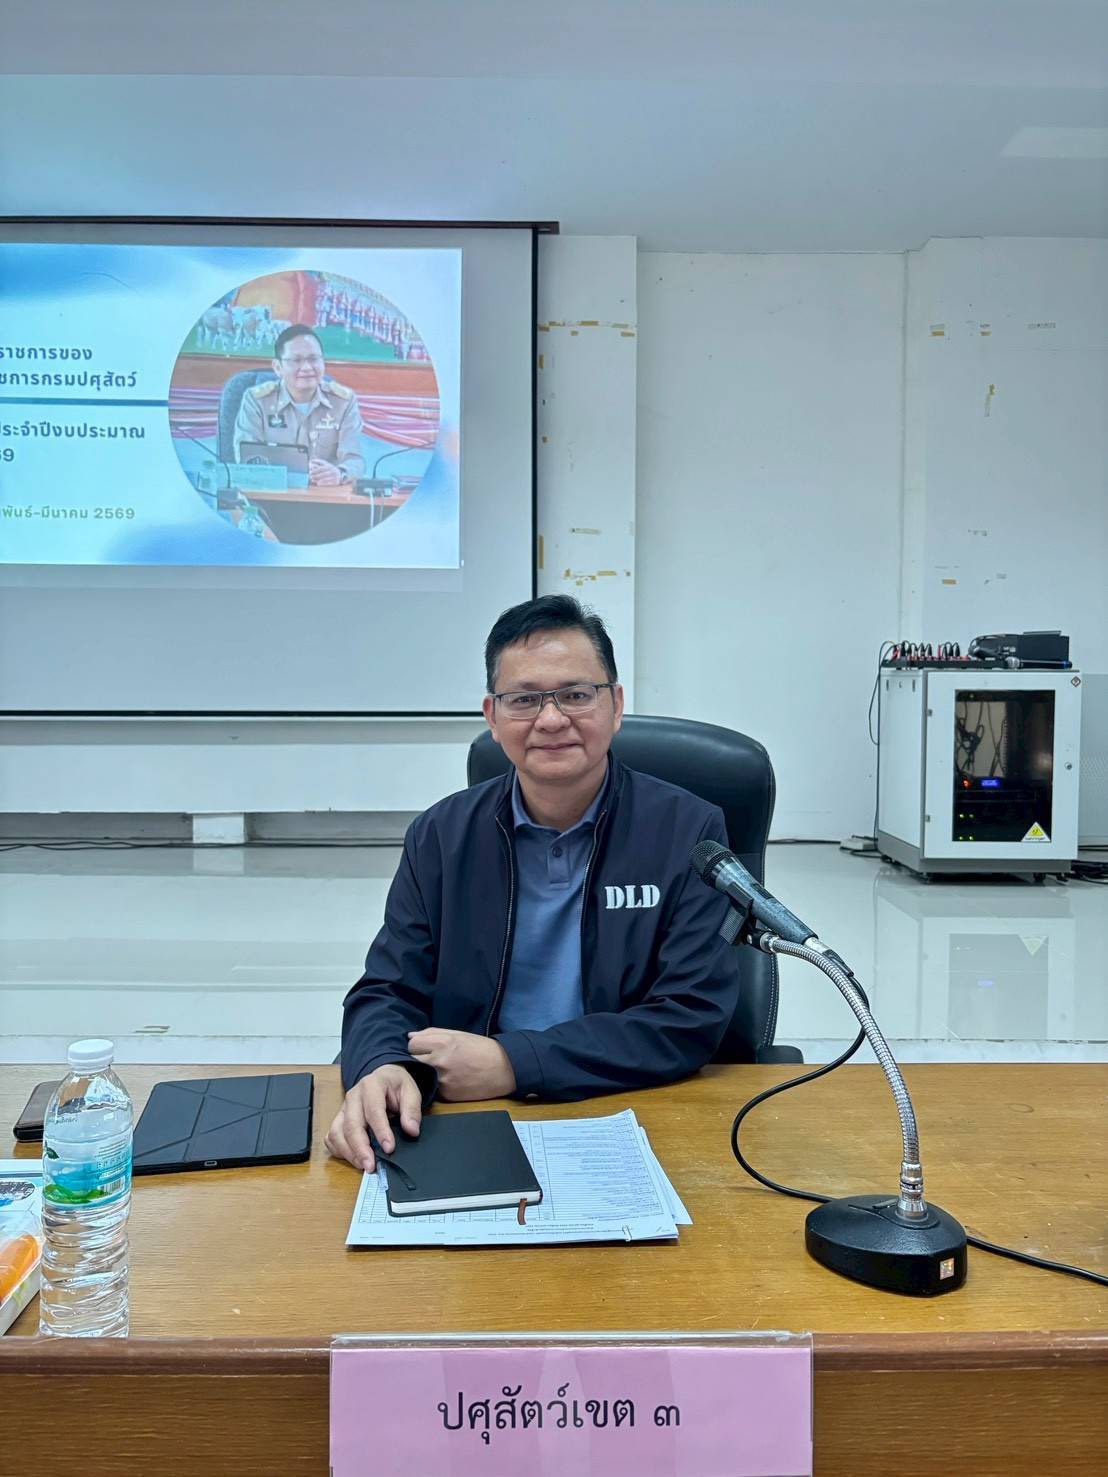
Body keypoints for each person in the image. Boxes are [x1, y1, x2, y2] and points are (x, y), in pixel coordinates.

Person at [326, 595, 741, 1171]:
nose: (550, 720)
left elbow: (689, 1015)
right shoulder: (441, 835)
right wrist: (382, 1064)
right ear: (492, 717)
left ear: (616, 705)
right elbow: (388, 990)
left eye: (576, 694)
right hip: (468, 1114)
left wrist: (512, 1062)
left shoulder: (687, 831)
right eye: (523, 700)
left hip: (627, 1100)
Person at [232, 323, 366, 485]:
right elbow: (247, 459)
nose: (307, 367)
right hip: (273, 493)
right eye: (296, 360)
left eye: (313, 359)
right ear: (278, 367)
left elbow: (355, 460)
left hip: (326, 494)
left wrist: (340, 473)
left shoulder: (343, 402)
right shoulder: (257, 400)